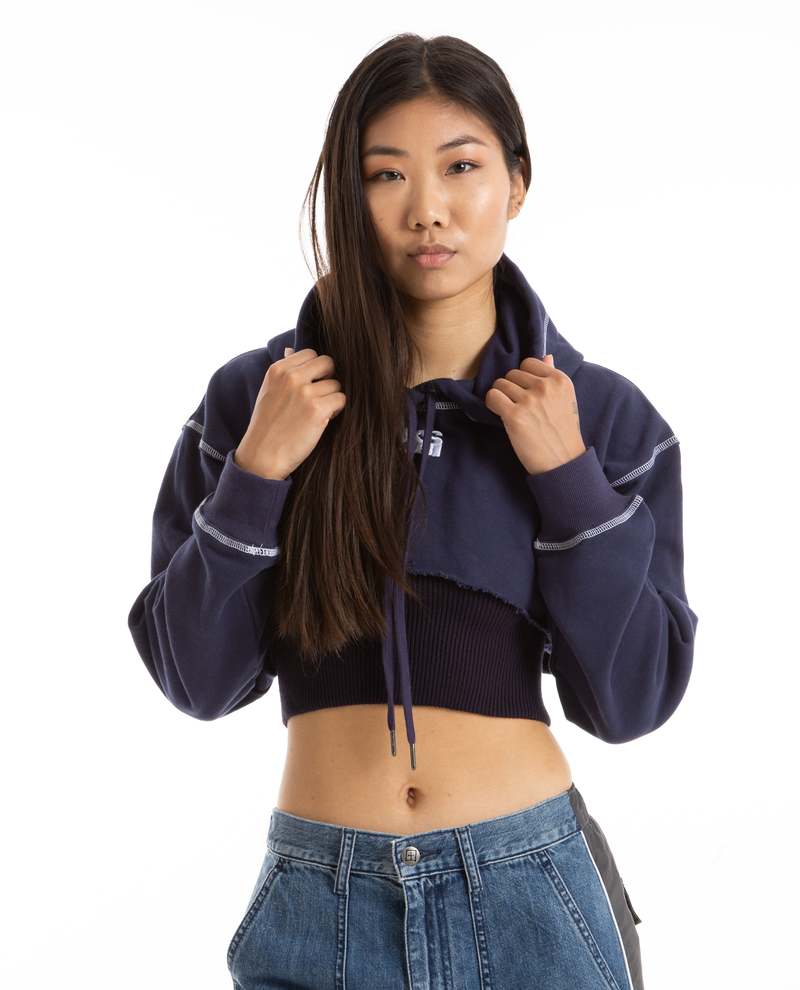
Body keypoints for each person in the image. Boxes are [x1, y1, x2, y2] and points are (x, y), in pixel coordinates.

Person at [128, 32, 698, 990]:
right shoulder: (257, 403)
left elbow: (632, 701)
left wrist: (568, 478)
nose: (427, 208)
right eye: (385, 174)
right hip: (318, 902)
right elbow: (198, 679)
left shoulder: (600, 417)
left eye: (461, 167)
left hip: (530, 893)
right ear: (346, 199)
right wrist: (258, 473)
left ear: (518, 182)